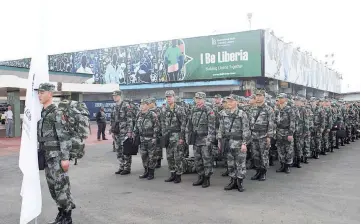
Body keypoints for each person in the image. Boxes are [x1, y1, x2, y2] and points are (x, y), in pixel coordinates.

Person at [36, 83, 75, 224]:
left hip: (57, 158)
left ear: (50, 93)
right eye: (38, 92)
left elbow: (64, 137)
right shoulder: (43, 113)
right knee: (53, 188)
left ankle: (67, 217)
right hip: (47, 157)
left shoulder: (56, 113)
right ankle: (61, 213)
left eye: (42, 92)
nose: (39, 95)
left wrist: (65, 158)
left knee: (61, 187)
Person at [218, 94, 251, 192]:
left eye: (231, 101)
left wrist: (245, 143)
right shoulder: (223, 113)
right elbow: (221, 128)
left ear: (236, 102)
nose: (229, 103)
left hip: (239, 142)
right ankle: (232, 181)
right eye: (228, 101)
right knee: (230, 163)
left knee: (240, 163)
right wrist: (220, 140)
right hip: (228, 142)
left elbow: (246, 130)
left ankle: (239, 182)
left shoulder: (242, 114)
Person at [186, 92, 216, 188]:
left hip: (205, 139)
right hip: (196, 139)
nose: (198, 101)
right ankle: (200, 176)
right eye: (196, 99)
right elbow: (189, 124)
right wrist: (188, 136)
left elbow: (212, 126)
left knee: (206, 159)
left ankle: (207, 178)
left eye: (200, 99)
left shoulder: (208, 110)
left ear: (204, 99)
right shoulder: (193, 110)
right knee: (197, 159)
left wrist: (210, 139)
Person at [161, 90, 187, 183]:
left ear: (174, 97)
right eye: (167, 97)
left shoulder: (180, 109)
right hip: (168, 135)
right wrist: (164, 135)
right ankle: (172, 174)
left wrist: (181, 137)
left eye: (170, 97)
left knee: (178, 156)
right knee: (169, 156)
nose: (168, 99)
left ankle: (178, 175)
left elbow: (183, 124)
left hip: (177, 135)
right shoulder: (164, 109)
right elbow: (163, 123)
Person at [250, 89, 275, 181]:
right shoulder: (252, 108)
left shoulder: (269, 109)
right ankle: (258, 171)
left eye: (260, 96)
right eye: (257, 95)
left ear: (264, 97)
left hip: (263, 135)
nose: (258, 97)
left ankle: (263, 172)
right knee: (255, 155)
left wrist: (269, 137)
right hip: (254, 135)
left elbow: (271, 123)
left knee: (263, 154)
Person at [134, 98, 161, 180]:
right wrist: (135, 133)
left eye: (144, 104)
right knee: (144, 156)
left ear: (148, 105)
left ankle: (151, 173)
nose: (141, 106)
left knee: (151, 156)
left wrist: (154, 137)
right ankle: (146, 171)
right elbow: (136, 125)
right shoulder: (139, 114)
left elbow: (157, 127)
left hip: (150, 138)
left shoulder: (152, 114)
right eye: (141, 104)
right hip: (142, 139)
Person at [110, 90, 135, 175]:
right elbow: (112, 120)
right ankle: (121, 166)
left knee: (125, 149)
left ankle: (127, 168)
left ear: (120, 96)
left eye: (116, 96)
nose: (114, 97)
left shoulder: (125, 105)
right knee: (118, 150)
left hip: (124, 131)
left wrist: (129, 131)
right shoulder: (114, 107)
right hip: (116, 131)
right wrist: (112, 131)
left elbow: (130, 119)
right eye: (113, 96)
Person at [275, 93, 296, 174]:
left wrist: (291, 133)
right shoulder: (277, 109)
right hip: (279, 132)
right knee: (280, 149)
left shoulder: (290, 109)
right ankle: (282, 165)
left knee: (289, 149)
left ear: (286, 99)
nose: (280, 99)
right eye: (279, 98)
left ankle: (287, 166)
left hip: (287, 131)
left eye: (281, 98)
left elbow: (292, 122)